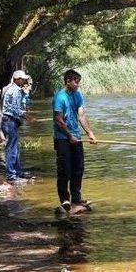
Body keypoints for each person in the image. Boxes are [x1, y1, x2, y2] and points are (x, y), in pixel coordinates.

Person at [53, 69, 97, 211]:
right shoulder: (60, 97)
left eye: (78, 82)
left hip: (76, 137)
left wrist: (90, 133)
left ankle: (76, 199)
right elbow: (58, 120)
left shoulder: (78, 95)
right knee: (65, 169)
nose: (78, 84)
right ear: (68, 81)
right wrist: (69, 136)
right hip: (62, 138)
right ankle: (65, 200)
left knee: (78, 168)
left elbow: (82, 115)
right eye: (76, 82)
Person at [1, 69, 34, 183]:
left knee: (15, 148)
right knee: (11, 149)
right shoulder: (14, 91)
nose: (24, 81)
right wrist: (27, 117)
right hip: (9, 121)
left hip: (10, 121)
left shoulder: (14, 90)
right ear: (17, 79)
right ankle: (11, 175)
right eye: (22, 79)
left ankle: (17, 172)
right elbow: (15, 109)